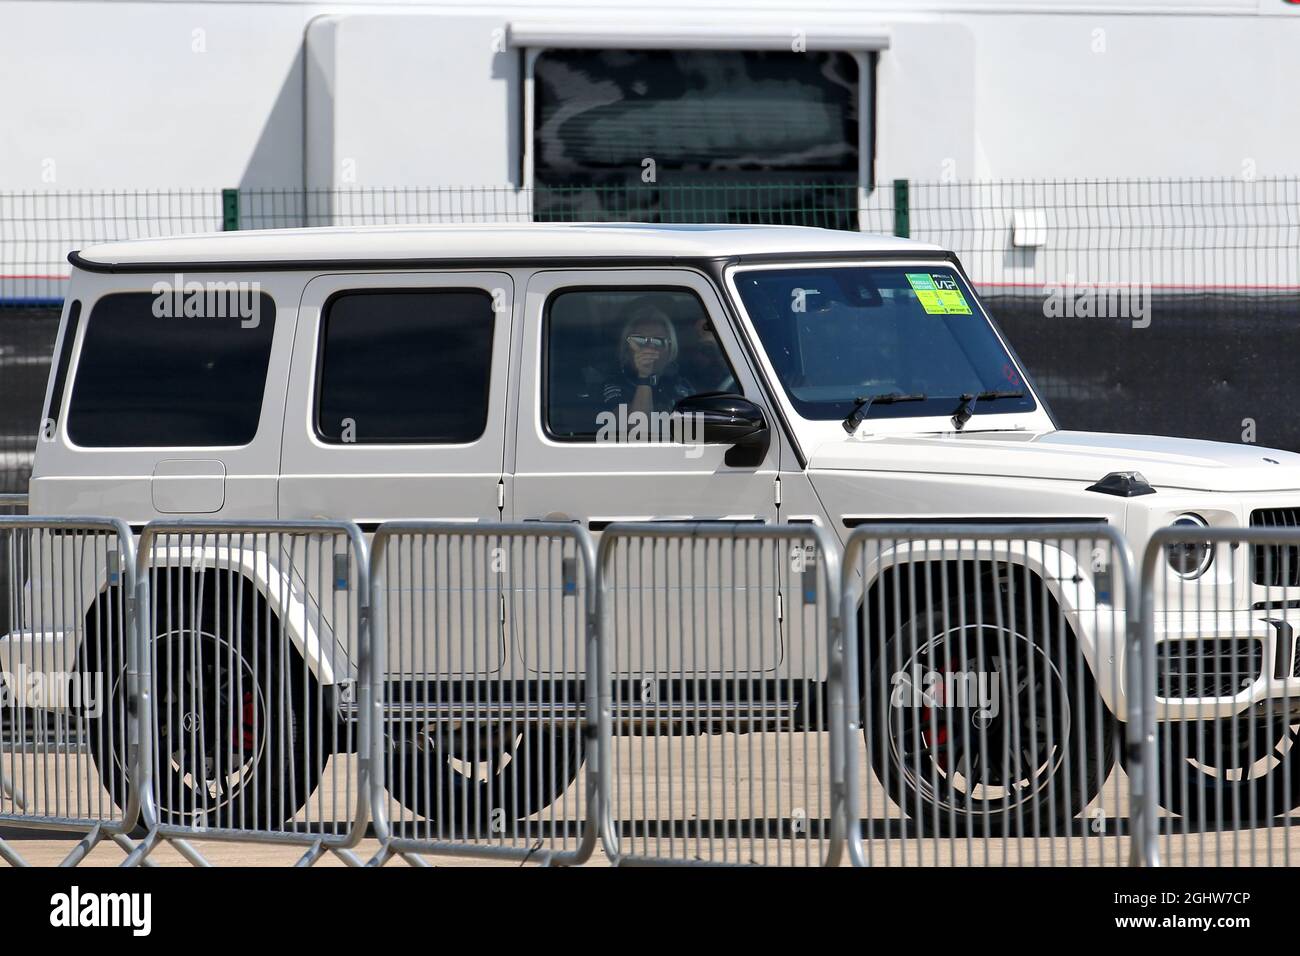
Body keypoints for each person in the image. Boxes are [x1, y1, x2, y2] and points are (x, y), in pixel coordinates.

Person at [601, 301, 696, 422]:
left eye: (658, 341)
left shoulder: (681, 385)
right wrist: (644, 377)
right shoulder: (615, 384)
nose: (649, 348)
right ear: (627, 348)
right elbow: (637, 432)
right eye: (639, 340)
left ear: (670, 348)